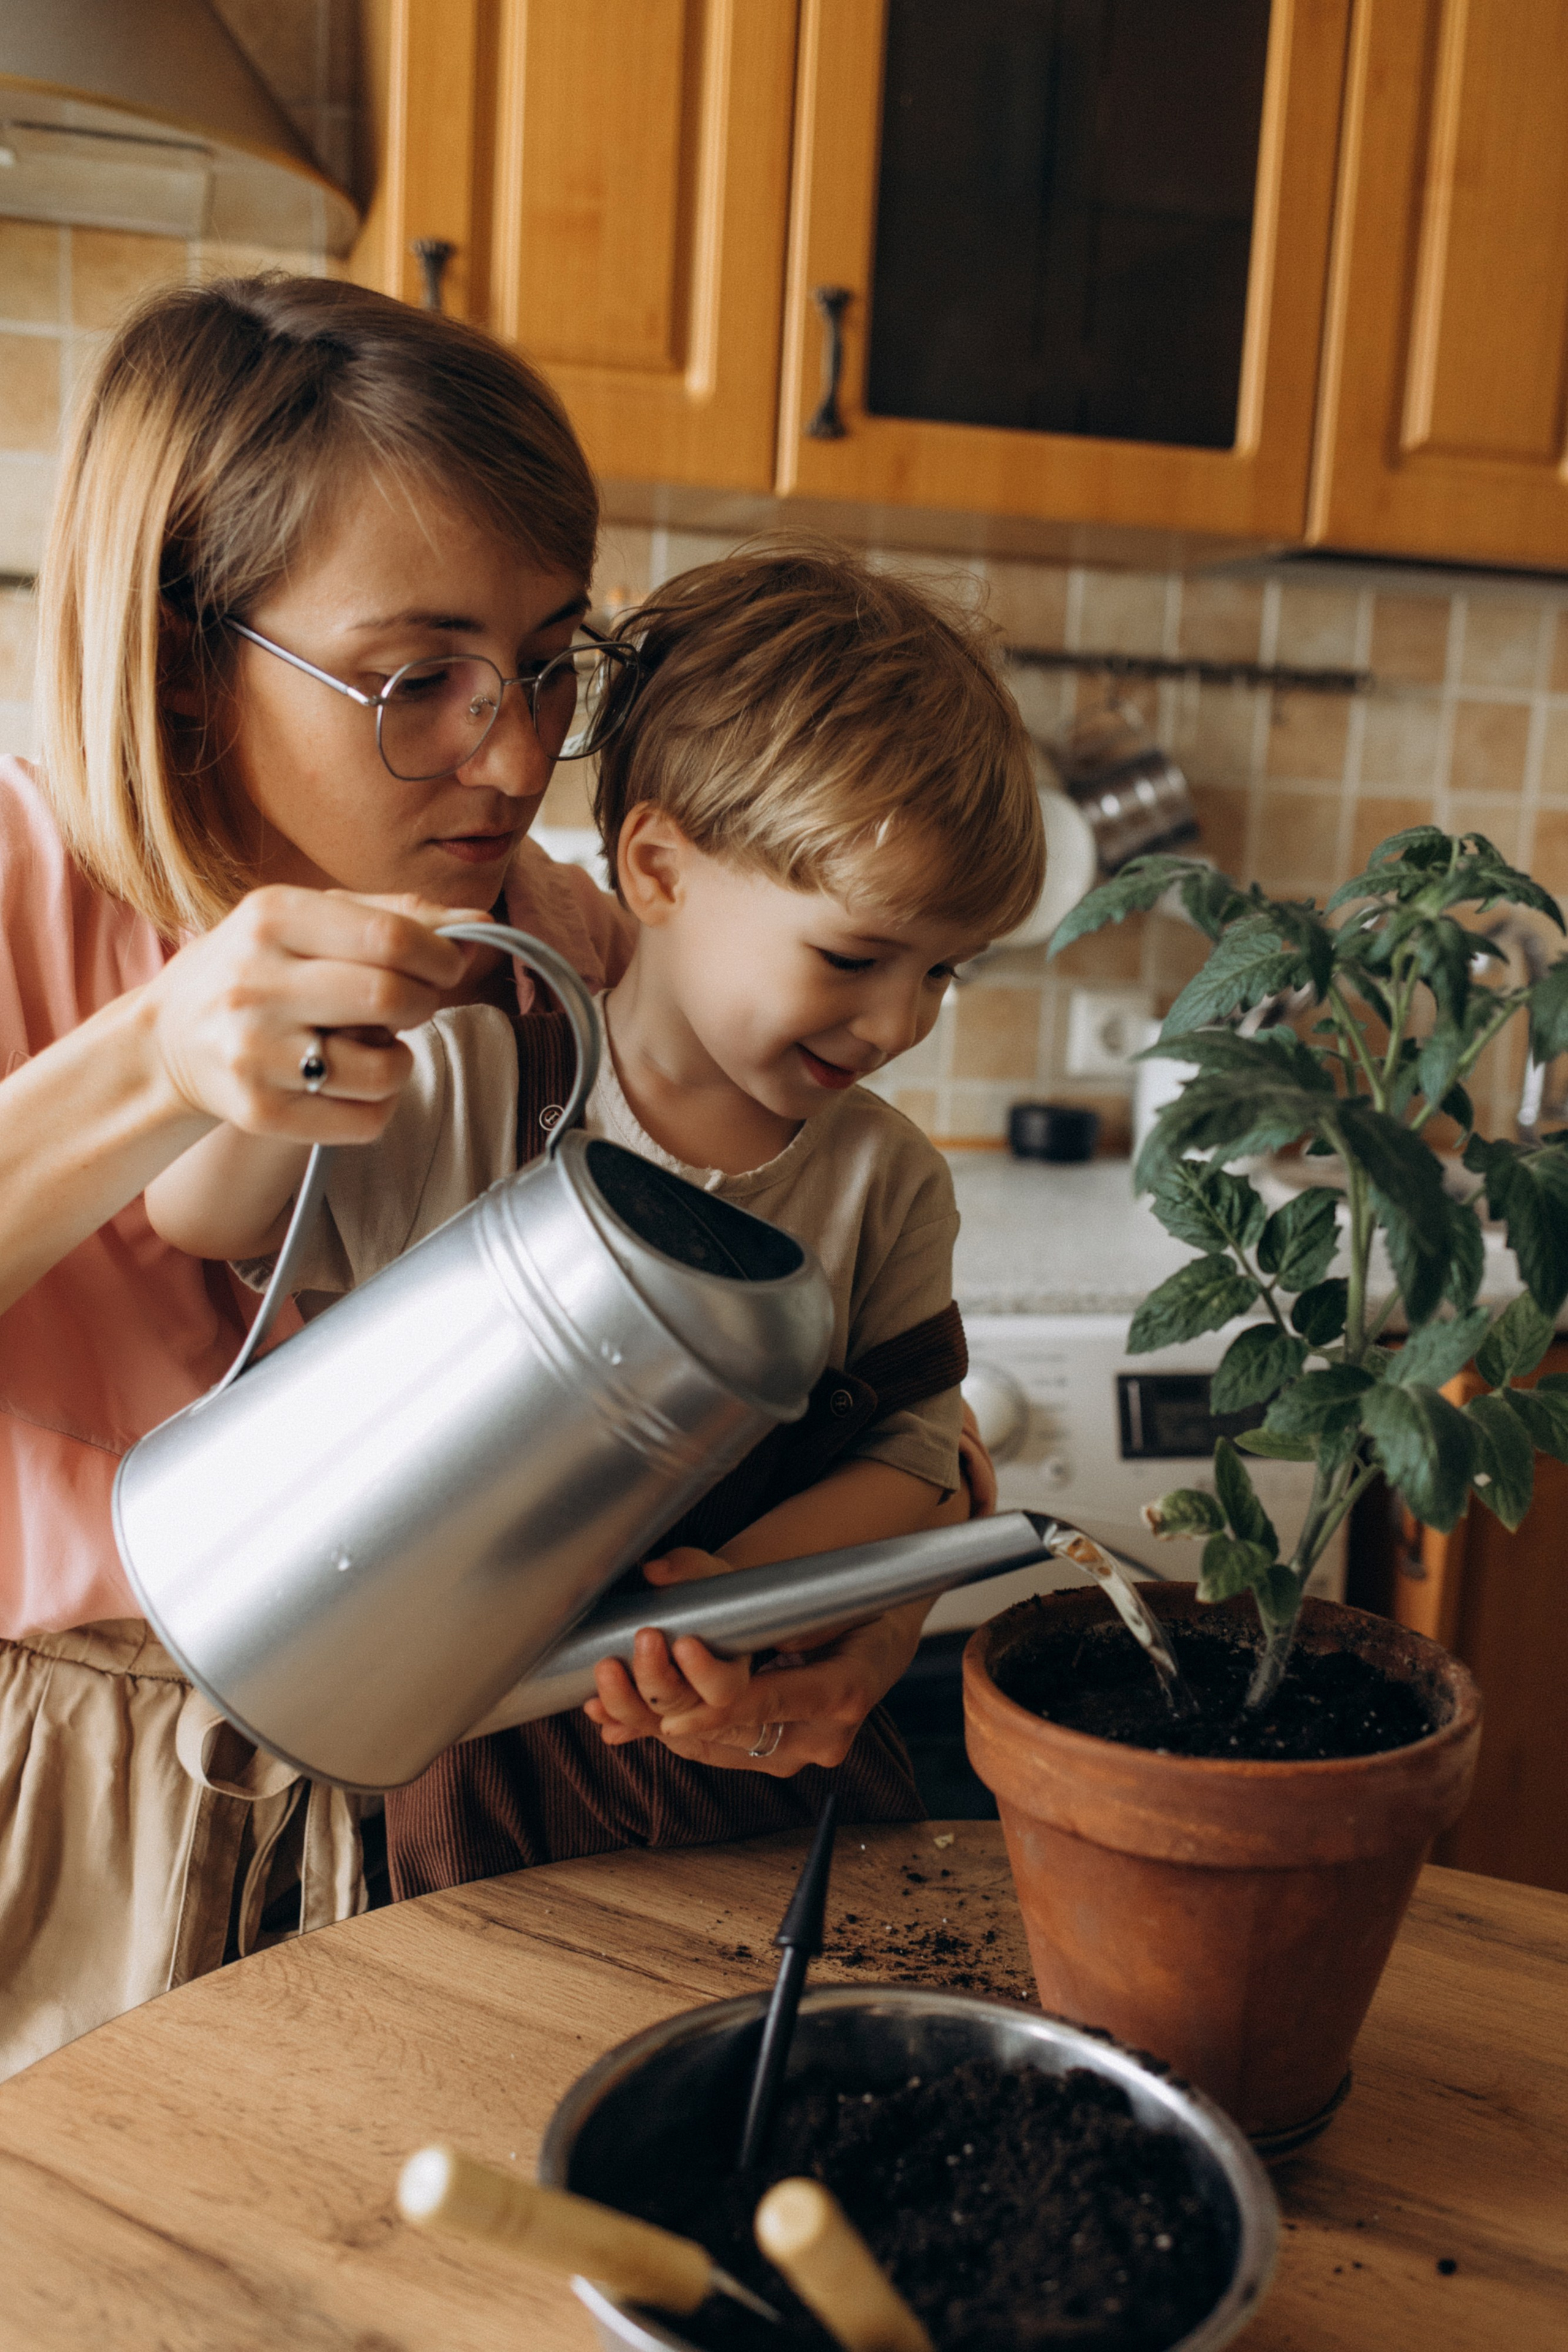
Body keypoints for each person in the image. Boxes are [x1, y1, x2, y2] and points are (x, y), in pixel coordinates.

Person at [146, 545, 1046, 1895]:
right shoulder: (472, 1082)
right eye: (854, 959)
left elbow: (917, 1460)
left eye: (942, 973)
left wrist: (722, 1604)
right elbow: (197, 1219)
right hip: (489, 1797)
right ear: (659, 868)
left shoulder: (887, 1181)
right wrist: (303, 1008)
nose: (900, 1022)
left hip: (772, 1782)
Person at [0, 270, 638, 2078]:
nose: (512, 757)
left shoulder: (539, 940)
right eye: (414, 677)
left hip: (432, 1801)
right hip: (59, 1791)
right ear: (187, 657)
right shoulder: (15, 883)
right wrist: (148, 1056)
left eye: (546, 666)